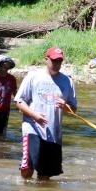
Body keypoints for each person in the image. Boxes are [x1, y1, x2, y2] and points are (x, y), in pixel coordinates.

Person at [16, 47, 77, 180]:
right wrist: (34, 116)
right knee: (28, 168)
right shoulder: (33, 76)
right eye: (54, 61)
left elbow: (74, 109)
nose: (57, 64)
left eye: (59, 61)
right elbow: (19, 102)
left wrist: (65, 106)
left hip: (54, 132)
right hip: (32, 128)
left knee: (45, 175)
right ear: (46, 60)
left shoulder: (67, 81)